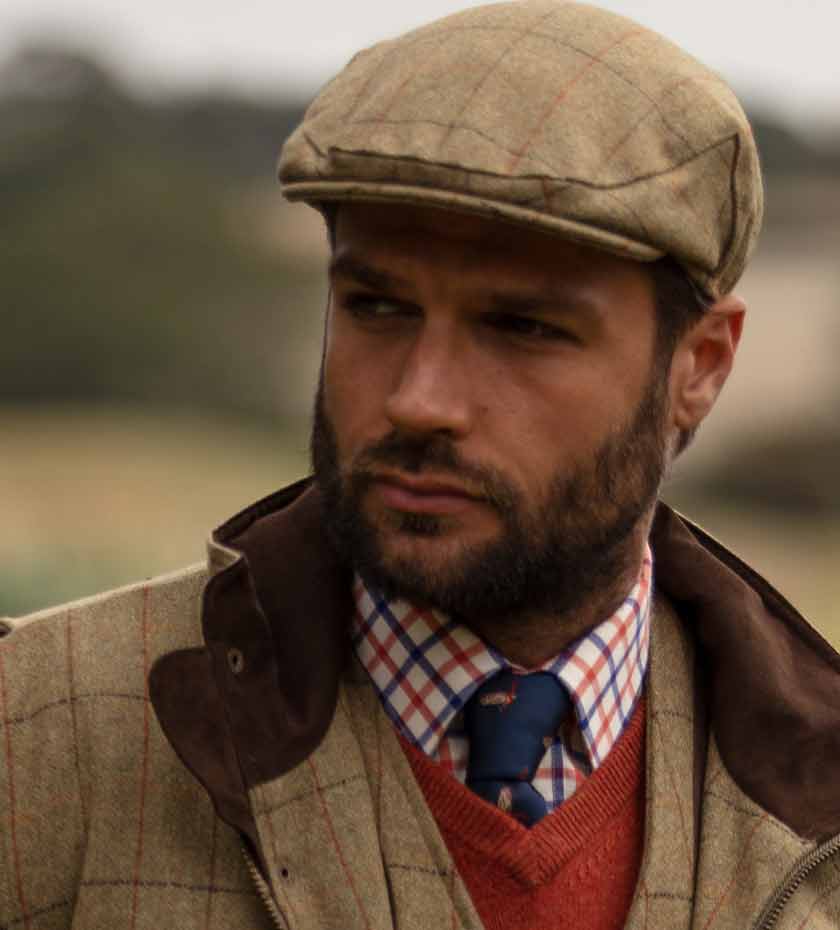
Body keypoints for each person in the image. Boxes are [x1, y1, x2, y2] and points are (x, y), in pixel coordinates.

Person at [2, 2, 839, 928]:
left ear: (700, 365)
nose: (418, 400)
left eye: (522, 327)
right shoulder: (37, 733)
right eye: (378, 307)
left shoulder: (813, 798)